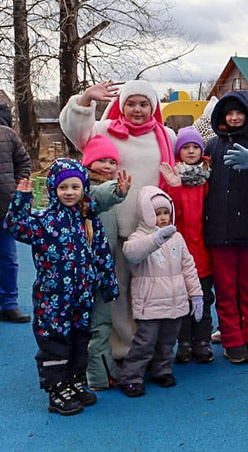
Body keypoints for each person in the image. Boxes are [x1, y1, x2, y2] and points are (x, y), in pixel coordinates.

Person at [59, 79, 177, 361]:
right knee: (117, 289)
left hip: (151, 230)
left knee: (151, 290)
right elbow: (74, 130)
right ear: (121, 105)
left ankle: (150, 347)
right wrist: (85, 100)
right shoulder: (105, 130)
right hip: (114, 228)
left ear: (153, 106)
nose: (137, 109)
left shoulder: (167, 136)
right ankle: (122, 348)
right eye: (131, 103)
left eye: (144, 104)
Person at [4, 159, 118, 415]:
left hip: (82, 298)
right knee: (55, 344)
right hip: (52, 300)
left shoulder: (88, 219)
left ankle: (75, 382)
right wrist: (21, 200)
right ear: (53, 189)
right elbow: (14, 227)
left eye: (75, 187)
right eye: (63, 187)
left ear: (83, 188)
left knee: (80, 341)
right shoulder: (44, 221)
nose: (69, 192)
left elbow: (101, 254)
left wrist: (108, 283)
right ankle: (56, 389)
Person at [204, 90, 248, 364]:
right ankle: (233, 340)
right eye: (229, 113)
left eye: (239, 112)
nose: (234, 117)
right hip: (220, 232)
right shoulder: (213, 146)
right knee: (225, 288)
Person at [119, 186, 202, 397]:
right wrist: (156, 239)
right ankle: (131, 377)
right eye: (157, 213)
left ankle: (162, 370)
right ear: (147, 214)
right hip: (150, 304)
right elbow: (131, 253)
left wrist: (196, 294)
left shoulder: (177, 238)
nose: (163, 218)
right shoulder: (138, 237)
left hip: (175, 303)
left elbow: (188, 268)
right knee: (144, 343)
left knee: (167, 341)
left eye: (166, 212)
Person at [159, 126, 215, 365]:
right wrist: (174, 186)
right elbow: (171, 213)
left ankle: (202, 341)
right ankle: (184, 342)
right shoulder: (173, 178)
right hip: (180, 253)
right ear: (178, 151)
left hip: (203, 251)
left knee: (203, 297)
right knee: (181, 302)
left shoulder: (207, 178)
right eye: (186, 147)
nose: (191, 151)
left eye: (195, 147)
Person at [82, 135, 132, 390]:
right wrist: (117, 191)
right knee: (97, 324)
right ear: (89, 164)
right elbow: (99, 196)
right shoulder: (86, 190)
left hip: (102, 269)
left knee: (100, 322)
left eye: (112, 161)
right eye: (101, 160)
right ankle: (100, 376)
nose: (108, 166)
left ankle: (101, 370)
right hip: (89, 272)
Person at [0, 103, 33, 323]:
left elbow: (23, 161)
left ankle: (9, 304)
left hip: (4, 207)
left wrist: (17, 187)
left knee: (8, 259)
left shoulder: (8, 135)